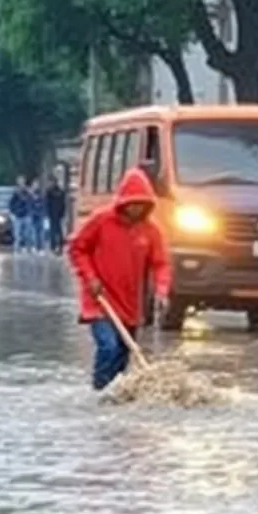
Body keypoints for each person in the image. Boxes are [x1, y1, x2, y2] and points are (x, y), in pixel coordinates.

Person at [68, 166, 172, 391]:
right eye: (132, 203)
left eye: (141, 204)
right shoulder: (101, 221)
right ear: (123, 203)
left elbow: (161, 263)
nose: (136, 209)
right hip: (99, 298)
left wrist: (162, 290)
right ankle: (98, 390)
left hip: (129, 302)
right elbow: (77, 248)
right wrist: (90, 277)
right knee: (108, 347)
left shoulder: (151, 230)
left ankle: (115, 393)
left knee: (124, 355)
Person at [9, 175, 33, 253]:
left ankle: (28, 248)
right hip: (18, 215)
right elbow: (11, 203)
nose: (21, 183)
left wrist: (30, 210)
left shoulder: (28, 191)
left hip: (27, 214)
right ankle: (17, 249)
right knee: (17, 234)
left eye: (22, 181)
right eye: (20, 181)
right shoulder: (15, 192)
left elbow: (31, 200)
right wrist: (13, 212)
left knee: (28, 233)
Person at [46, 174, 67, 255]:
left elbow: (62, 203)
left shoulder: (51, 191)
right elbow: (47, 203)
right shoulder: (58, 191)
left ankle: (55, 246)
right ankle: (55, 245)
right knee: (56, 230)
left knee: (55, 230)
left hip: (55, 213)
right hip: (55, 213)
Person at [29, 178, 46, 253]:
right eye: (35, 185)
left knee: (41, 232)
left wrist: (43, 213)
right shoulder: (30, 195)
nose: (36, 186)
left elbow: (43, 204)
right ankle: (35, 246)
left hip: (40, 215)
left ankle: (41, 248)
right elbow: (29, 205)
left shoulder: (41, 194)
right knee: (34, 232)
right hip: (33, 215)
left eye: (37, 185)